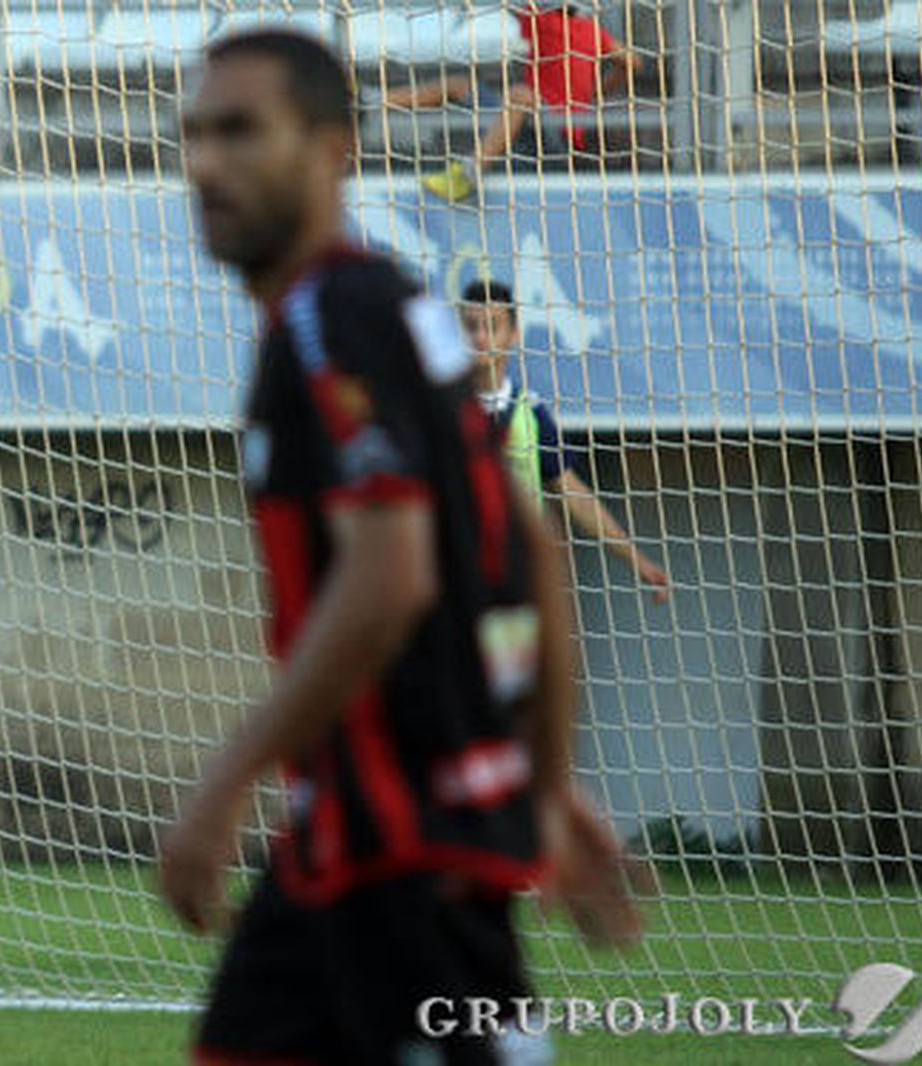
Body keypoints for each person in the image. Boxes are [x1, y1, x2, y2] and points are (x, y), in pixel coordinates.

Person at [162, 27, 643, 1065]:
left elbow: (393, 571)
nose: (206, 162)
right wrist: (545, 781)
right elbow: (528, 544)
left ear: (334, 148)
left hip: (398, 856)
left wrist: (223, 777)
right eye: (195, 133)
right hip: (355, 845)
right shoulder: (390, 310)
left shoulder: (329, 320)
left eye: (242, 130)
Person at [459, 278, 670, 602]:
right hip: (457, 577)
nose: (480, 337)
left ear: (513, 335)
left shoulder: (530, 413)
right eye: (470, 327)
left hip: (517, 575)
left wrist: (637, 561)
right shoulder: (442, 410)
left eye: (491, 326)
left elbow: (575, 496)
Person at [398, 2, 643, 202]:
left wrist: (593, 95)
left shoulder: (540, 20)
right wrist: (596, 94)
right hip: (527, 125)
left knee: (520, 95)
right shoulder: (590, 30)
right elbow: (633, 63)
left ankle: (469, 173)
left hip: (555, 139)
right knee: (460, 85)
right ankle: (373, 102)